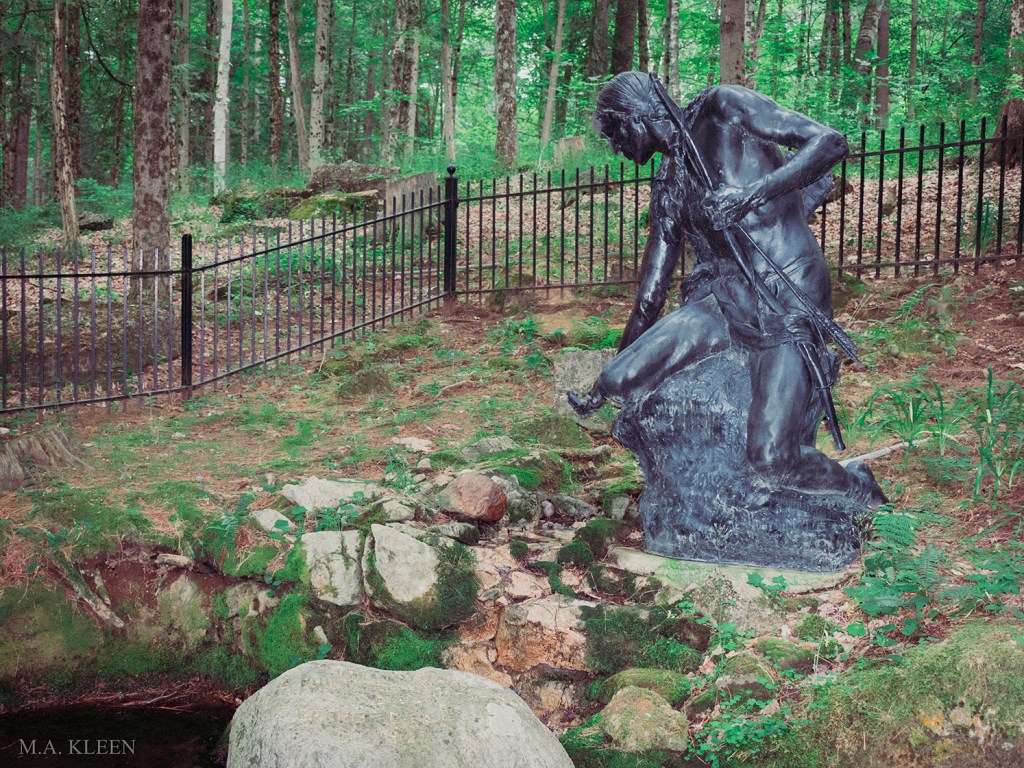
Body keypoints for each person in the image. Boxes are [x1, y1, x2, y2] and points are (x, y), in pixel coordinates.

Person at [568, 72, 885, 506]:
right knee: (618, 378)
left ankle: (855, 485)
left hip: (787, 293)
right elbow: (649, 296)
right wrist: (601, 389)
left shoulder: (721, 108)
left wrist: (751, 194)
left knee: (772, 458)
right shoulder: (669, 184)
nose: (617, 149)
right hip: (726, 300)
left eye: (616, 135)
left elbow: (830, 142)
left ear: (635, 119)